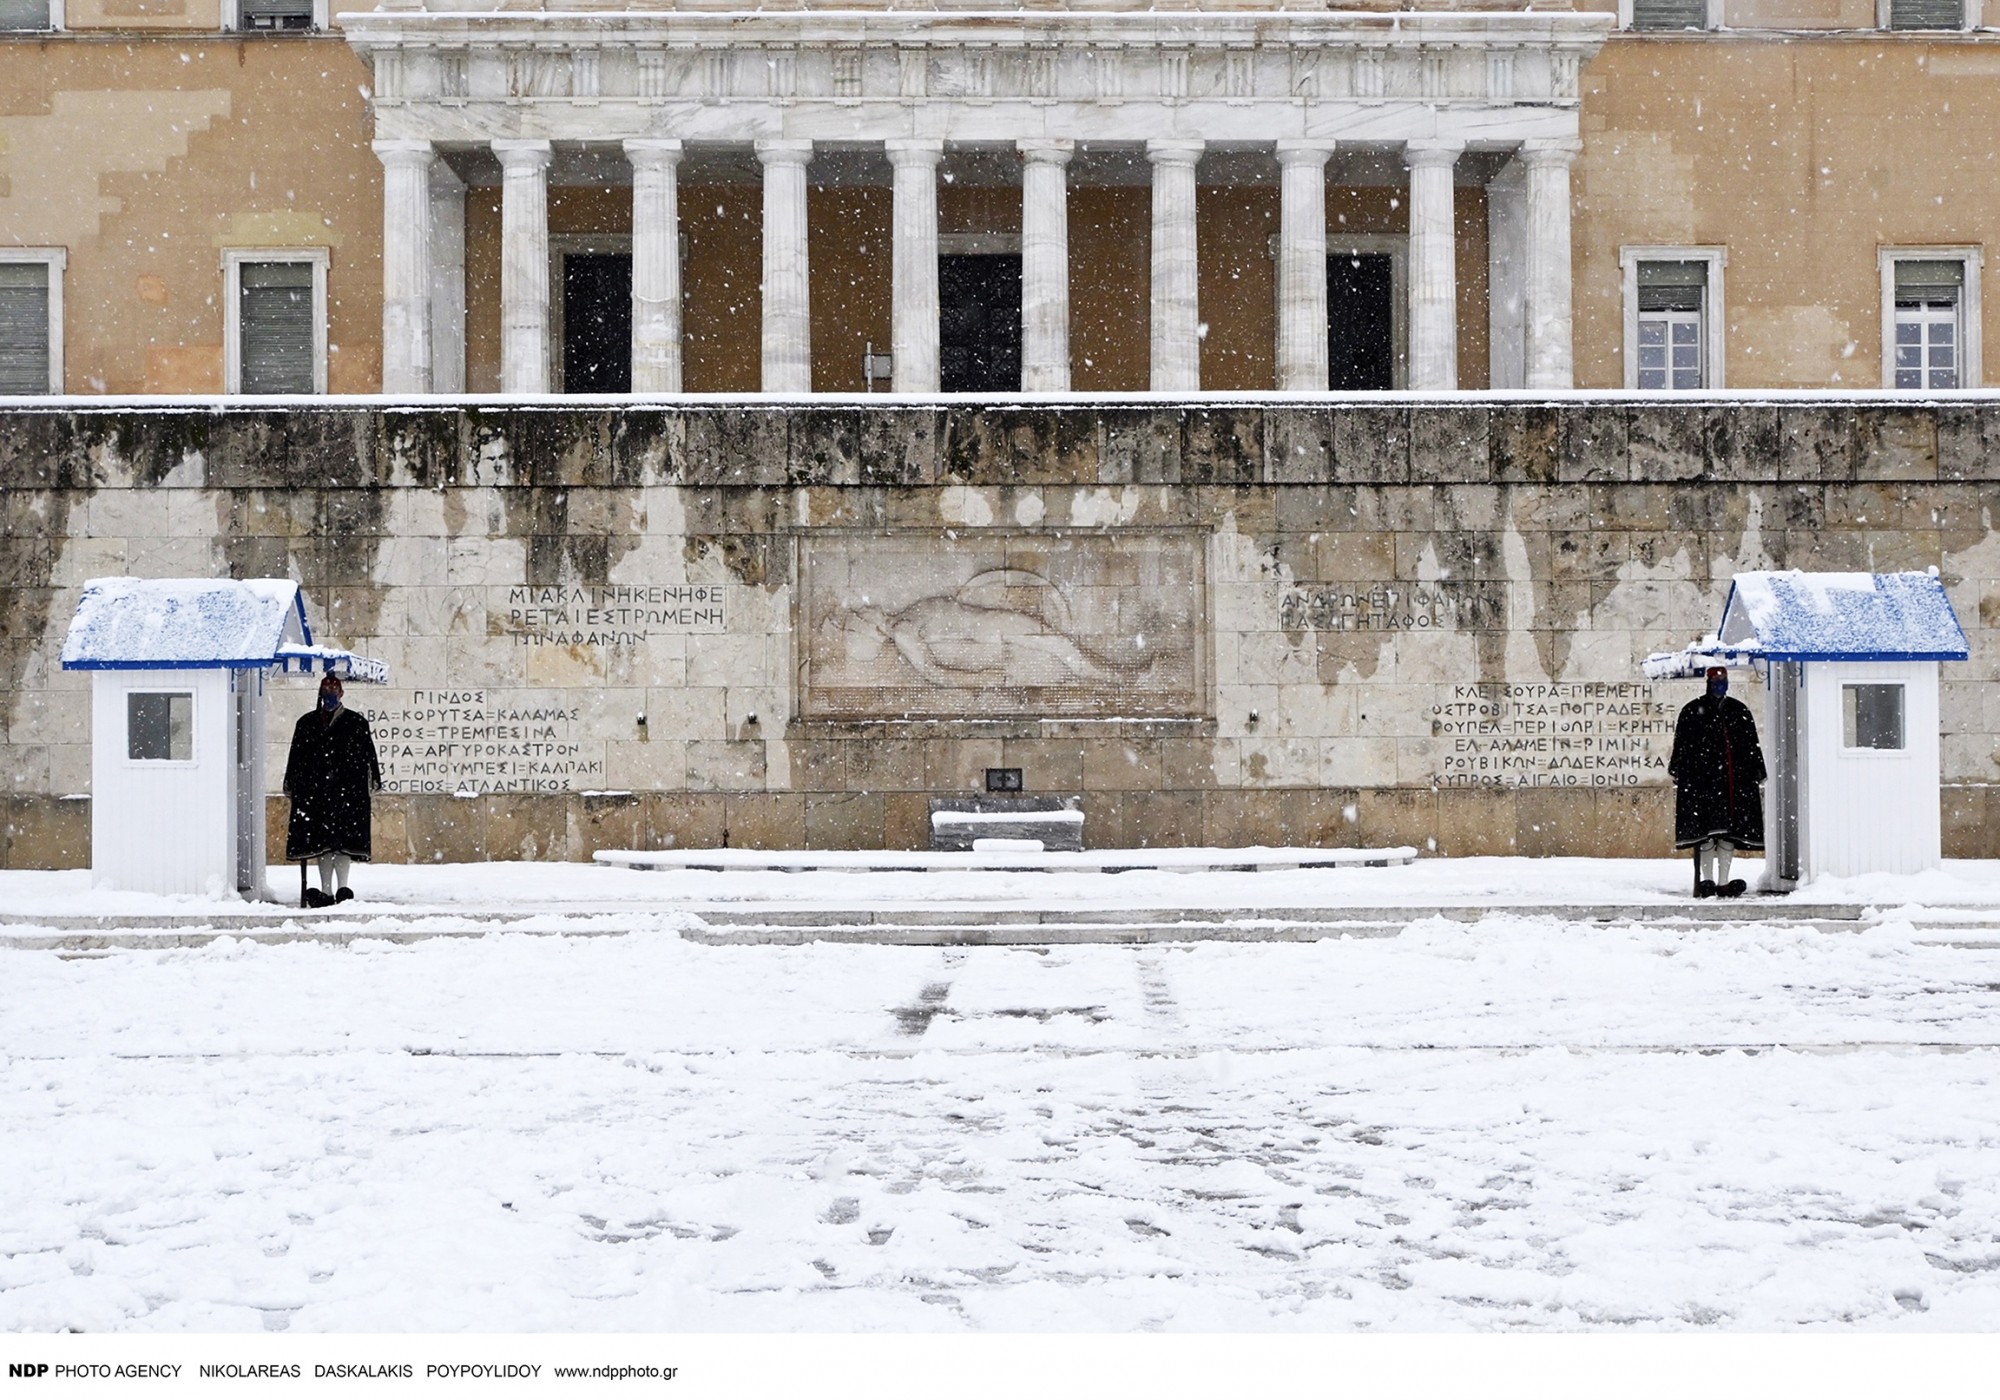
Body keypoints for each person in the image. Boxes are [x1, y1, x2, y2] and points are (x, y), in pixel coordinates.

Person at [284, 673, 382, 906]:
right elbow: (297, 759)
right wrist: (294, 785)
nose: (329, 694)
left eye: (333, 689)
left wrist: (369, 784)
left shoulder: (356, 723)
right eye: (325, 689)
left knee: (342, 844)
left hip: (346, 793)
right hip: (317, 794)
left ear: (341, 693)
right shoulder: (307, 723)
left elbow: (368, 759)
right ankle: (326, 890)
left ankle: (342, 888)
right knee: (323, 844)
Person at [1668, 665, 1765, 898]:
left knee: (1727, 834)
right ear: (1708, 682)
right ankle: (1707, 880)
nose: (1720, 684)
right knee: (1706, 834)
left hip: (1733, 784)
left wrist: (1755, 772)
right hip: (1704, 785)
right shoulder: (1693, 711)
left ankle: (1723, 881)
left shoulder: (1738, 710)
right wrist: (1681, 770)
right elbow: (1682, 746)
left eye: (1723, 680)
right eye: (1716, 680)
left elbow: (1750, 746)